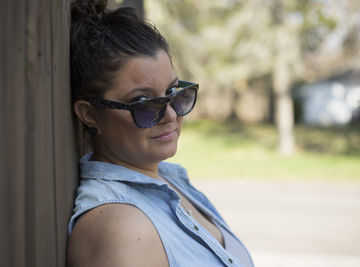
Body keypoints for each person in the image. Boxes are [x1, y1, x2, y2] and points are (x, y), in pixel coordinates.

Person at [67, 1, 254, 266]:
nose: (171, 115)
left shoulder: (170, 178)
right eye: (143, 102)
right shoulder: (122, 230)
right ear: (89, 113)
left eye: (173, 93)